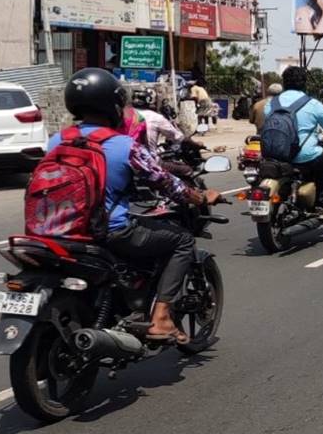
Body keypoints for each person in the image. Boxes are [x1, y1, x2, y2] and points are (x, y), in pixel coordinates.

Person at [51, 68, 222, 345]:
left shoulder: (57, 140)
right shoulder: (124, 145)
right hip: (109, 231)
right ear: (114, 105)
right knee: (182, 240)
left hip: (59, 230)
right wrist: (201, 197)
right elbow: (166, 182)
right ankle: (161, 318)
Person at [264, 66, 323, 215]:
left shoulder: (271, 104)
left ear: (284, 83)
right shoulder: (312, 104)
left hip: (277, 154)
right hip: (303, 154)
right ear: (304, 83)